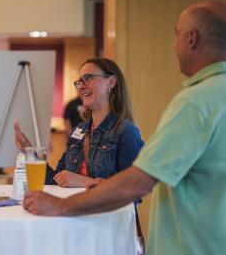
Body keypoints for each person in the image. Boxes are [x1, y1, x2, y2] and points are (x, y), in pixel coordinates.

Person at [23, 0, 226, 255]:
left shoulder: (196, 102)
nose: (174, 43)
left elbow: (137, 184)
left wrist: (61, 205)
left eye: (176, 34)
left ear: (190, 38)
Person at [15, 58, 144, 189]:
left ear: (111, 82)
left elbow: (134, 190)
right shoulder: (80, 130)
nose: (81, 86)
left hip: (105, 210)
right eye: (80, 81)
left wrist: (85, 182)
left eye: (88, 78)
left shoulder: (126, 131)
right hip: (73, 209)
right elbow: (55, 181)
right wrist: (29, 151)